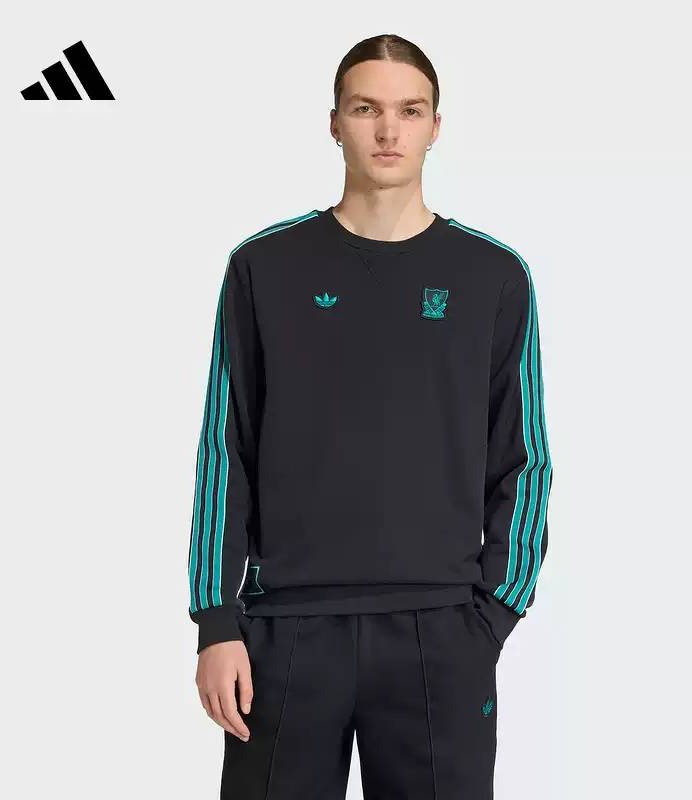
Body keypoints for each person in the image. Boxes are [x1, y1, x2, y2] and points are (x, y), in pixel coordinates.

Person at [187, 33, 553, 799]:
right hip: (286, 630)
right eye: (366, 109)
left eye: (409, 111)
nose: (388, 131)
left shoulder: (493, 276)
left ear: (436, 126)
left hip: (440, 630)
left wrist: (492, 615)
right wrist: (217, 622)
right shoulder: (263, 267)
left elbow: (523, 460)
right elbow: (226, 451)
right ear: (334, 123)